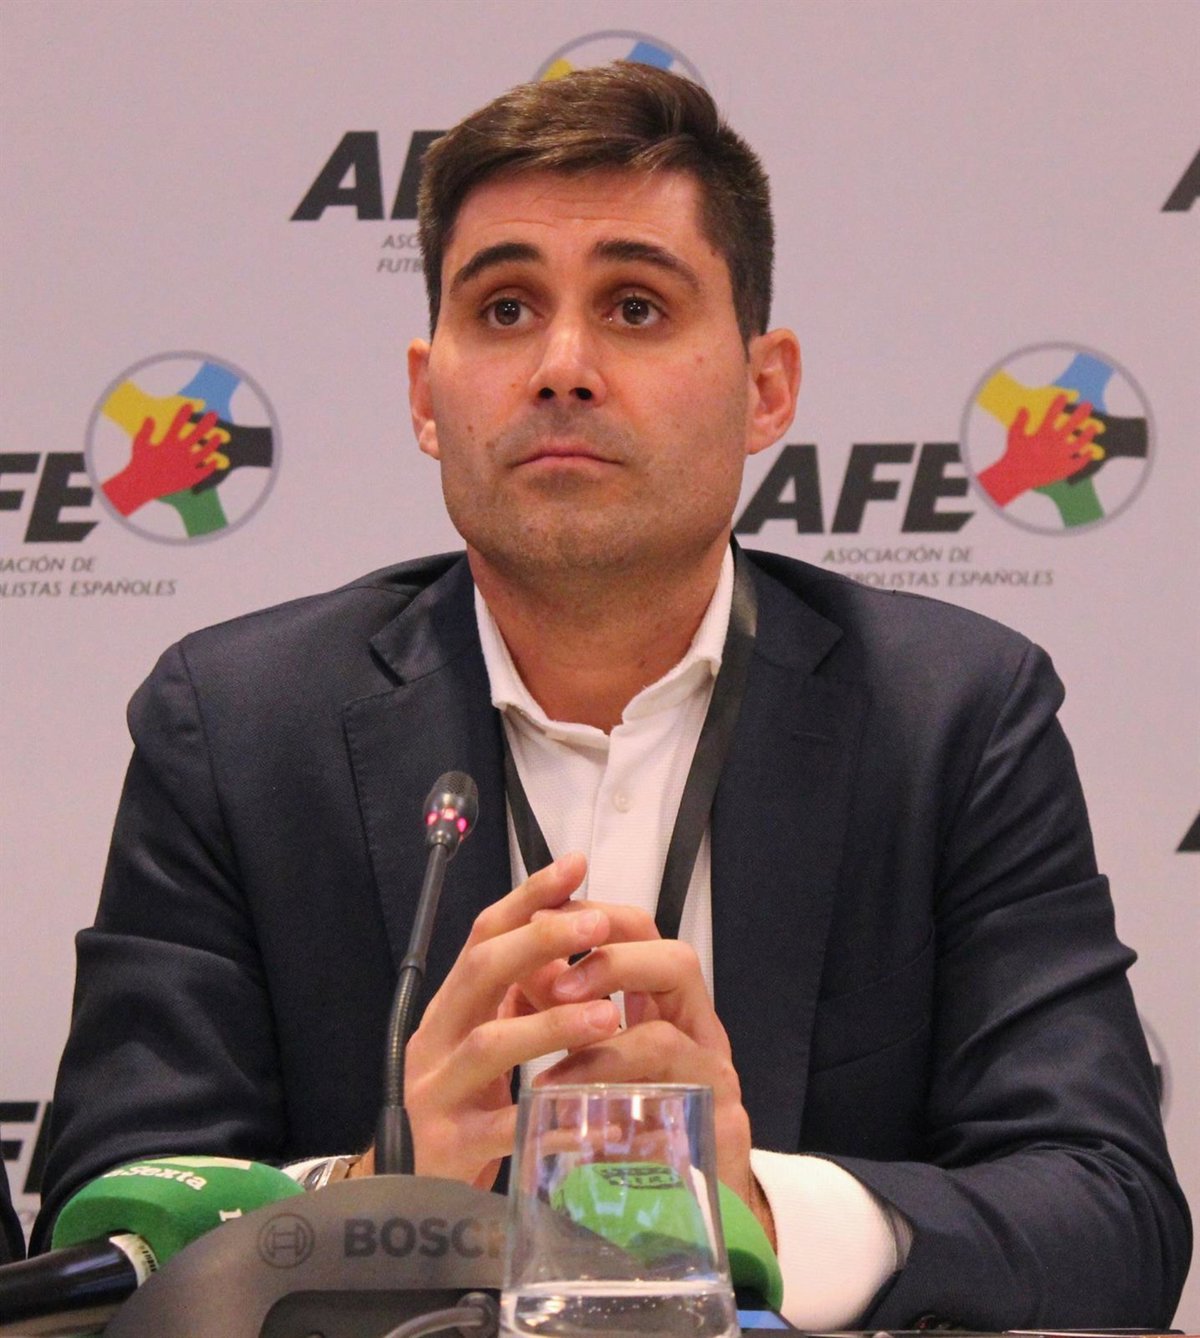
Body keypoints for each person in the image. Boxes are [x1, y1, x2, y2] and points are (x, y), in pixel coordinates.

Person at [35, 64, 1189, 1328]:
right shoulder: (239, 728)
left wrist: (757, 1209)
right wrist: (375, 1195)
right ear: (427, 394)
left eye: (636, 306)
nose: (563, 367)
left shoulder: (952, 718)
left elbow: (1112, 1213)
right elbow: (98, 1220)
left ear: (766, 388)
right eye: (506, 308)